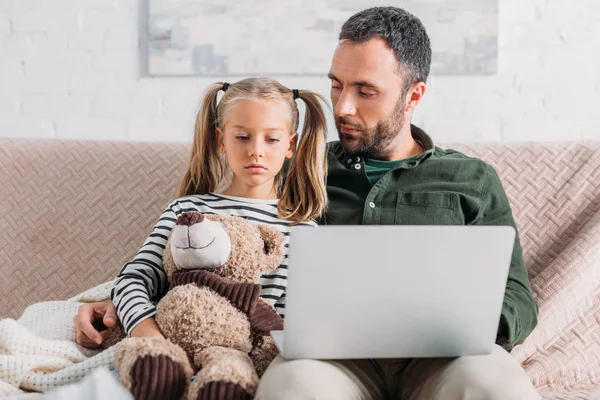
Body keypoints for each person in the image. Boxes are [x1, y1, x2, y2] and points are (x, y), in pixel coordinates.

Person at [76, 7, 540, 399]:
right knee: (294, 386)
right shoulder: (300, 168)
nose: (342, 107)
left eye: (365, 91)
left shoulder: (471, 180)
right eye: (337, 85)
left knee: (497, 387)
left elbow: (517, 295)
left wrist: (463, 323)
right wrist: (111, 302)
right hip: (331, 361)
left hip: (443, 358)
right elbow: (212, 243)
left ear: (413, 96)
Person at [73, 77, 328, 346]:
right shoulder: (187, 210)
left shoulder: (303, 230)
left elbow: (298, 322)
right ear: (221, 140)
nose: (256, 151)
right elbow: (133, 280)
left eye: (272, 139)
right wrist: (152, 339)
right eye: (242, 137)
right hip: (172, 347)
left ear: (290, 145)